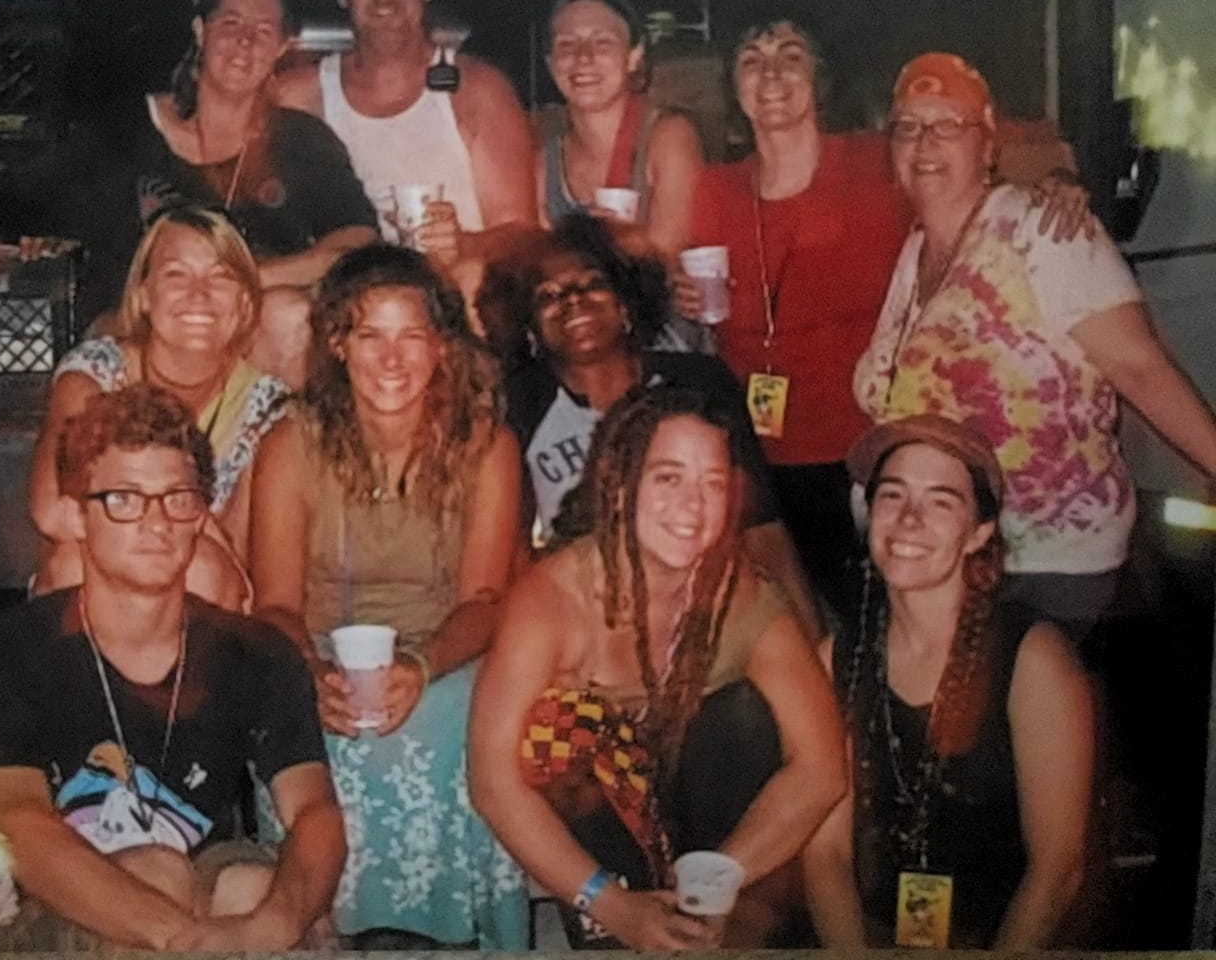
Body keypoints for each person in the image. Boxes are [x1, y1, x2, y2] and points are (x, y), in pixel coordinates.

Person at [686, 20, 1091, 624]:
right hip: (756, 464)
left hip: (868, 452)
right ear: (734, 85)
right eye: (751, 58)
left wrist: (1057, 181)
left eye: (790, 56)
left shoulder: (875, 161)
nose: (770, 74)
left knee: (886, 626)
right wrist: (680, 292)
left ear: (820, 78)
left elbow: (981, 161)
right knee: (788, 630)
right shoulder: (713, 191)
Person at [0, 384, 346, 950]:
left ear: (200, 516)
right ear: (75, 516)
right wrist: (182, 939)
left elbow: (315, 812)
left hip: (209, 876)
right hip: (58, 899)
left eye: (178, 497)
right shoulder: (13, 646)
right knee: (156, 872)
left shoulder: (258, 653)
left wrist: (277, 921)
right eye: (124, 499)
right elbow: (21, 825)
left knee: (254, 888)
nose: (157, 521)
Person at [852, 52, 1216, 637]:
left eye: (949, 124)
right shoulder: (915, 248)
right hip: (952, 555)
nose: (925, 142)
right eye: (909, 127)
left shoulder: (1042, 231)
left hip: (1045, 560)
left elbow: (1141, 368)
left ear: (987, 145)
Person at [469, 386, 845, 949]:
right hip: (607, 839)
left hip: (710, 824)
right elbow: (492, 781)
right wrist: (612, 905)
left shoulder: (743, 597)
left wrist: (718, 881)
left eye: (712, 483)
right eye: (669, 478)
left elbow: (822, 767)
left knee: (743, 712)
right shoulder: (553, 599)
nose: (693, 506)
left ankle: (735, 928)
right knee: (557, 729)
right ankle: (615, 933)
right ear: (621, 486)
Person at [0, 0, 376, 382]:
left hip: (250, 342)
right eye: (231, 23)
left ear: (283, 47)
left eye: (263, 31)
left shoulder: (301, 141)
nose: (245, 41)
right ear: (201, 31)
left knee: (289, 317)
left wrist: (248, 280)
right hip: (136, 337)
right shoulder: (123, 134)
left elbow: (356, 240)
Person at [248, 243, 527, 947]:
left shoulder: (486, 446)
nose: (392, 359)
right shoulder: (290, 443)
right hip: (316, 652)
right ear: (338, 344)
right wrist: (312, 675)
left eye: (412, 336)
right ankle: (329, 928)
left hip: (444, 651)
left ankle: (445, 932)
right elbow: (274, 606)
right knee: (297, 716)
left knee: (445, 718)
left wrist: (421, 668)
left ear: (442, 347)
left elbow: (485, 600)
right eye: (370, 335)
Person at [802, 413, 1095, 949]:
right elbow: (825, 852)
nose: (909, 519)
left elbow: (1057, 872)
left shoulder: (1034, 662)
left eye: (940, 502)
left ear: (979, 532)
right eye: (892, 495)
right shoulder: (837, 657)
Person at [501, 213, 819, 638]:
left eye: (592, 283)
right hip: (589, 614)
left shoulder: (698, 381)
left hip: (704, 602)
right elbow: (517, 553)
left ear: (626, 304)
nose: (573, 301)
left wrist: (811, 640)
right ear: (531, 329)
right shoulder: (520, 405)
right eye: (548, 295)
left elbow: (761, 528)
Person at [28, 205, 286, 610]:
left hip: (204, 606)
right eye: (176, 274)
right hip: (90, 596)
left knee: (202, 570)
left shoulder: (265, 408)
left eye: (220, 276)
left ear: (244, 301)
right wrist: (185, 513)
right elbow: (53, 512)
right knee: (73, 562)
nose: (198, 294)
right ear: (144, 295)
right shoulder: (97, 376)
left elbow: (241, 567)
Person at [278, 0, 535, 275]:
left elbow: (522, 234)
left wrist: (463, 243)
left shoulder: (479, 89)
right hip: (346, 293)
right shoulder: (300, 95)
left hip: (454, 290)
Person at [539, 0, 710, 352]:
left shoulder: (668, 135)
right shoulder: (543, 162)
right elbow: (538, 270)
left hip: (659, 343)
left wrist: (601, 242)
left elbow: (665, 260)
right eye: (567, 44)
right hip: (577, 346)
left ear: (634, 57)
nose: (583, 57)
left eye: (602, 42)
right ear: (552, 63)